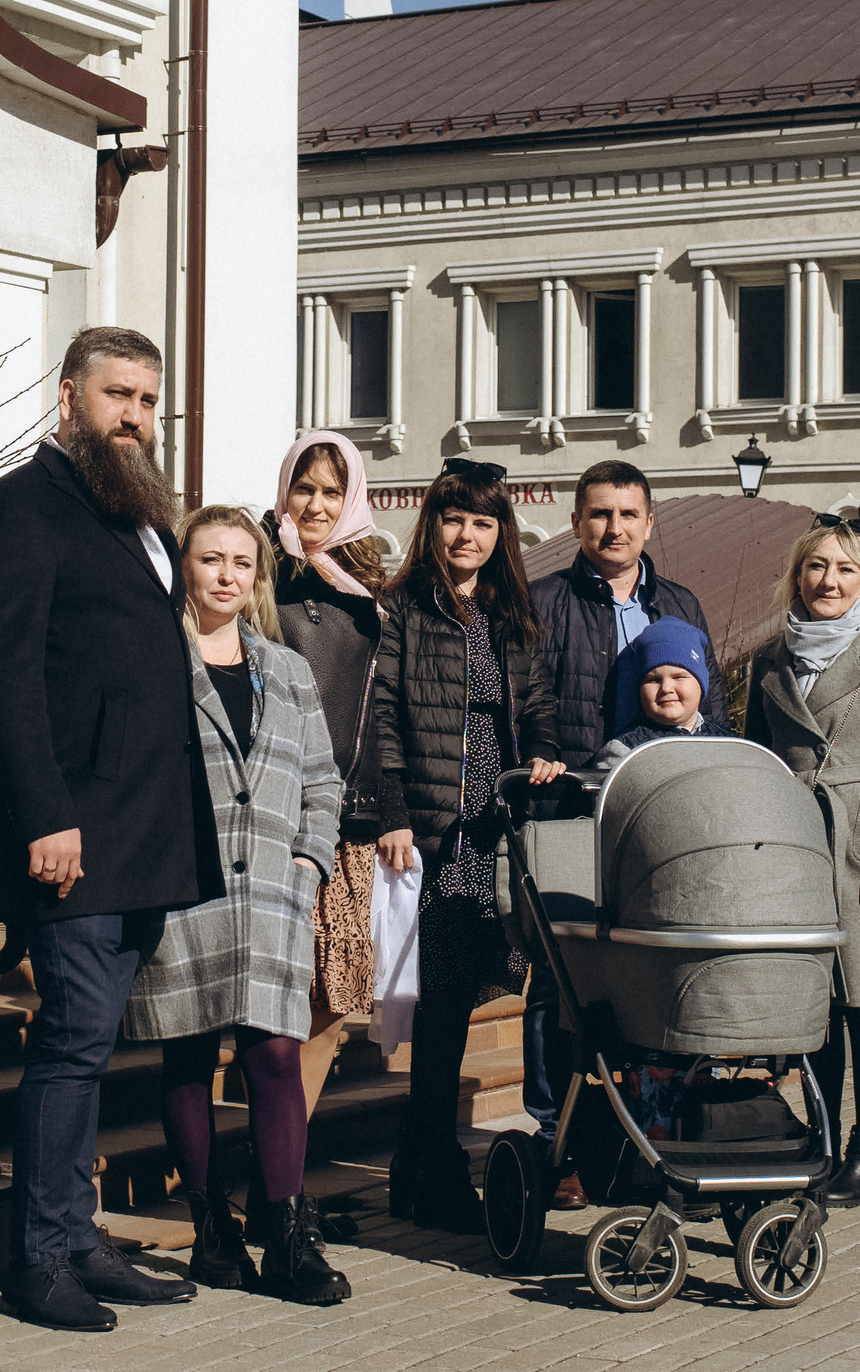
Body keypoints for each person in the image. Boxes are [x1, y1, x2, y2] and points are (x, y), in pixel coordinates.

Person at [0, 326, 209, 1332]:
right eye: (118, 396)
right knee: (69, 1044)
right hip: (74, 837)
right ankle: (37, 1261)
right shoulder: (15, 511)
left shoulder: (130, 519)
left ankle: (76, 1233)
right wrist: (47, 816)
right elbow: (6, 677)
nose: (135, 418)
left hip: (141, 837)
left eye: (147, 400)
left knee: (95, 1046)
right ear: (69, 399)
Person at [123, 508, 351, 1305]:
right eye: (209, 558)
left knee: (276, 1055)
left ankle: (285, 1234)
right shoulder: (153, 658)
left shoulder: (286, 670)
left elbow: (323, 779)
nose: (225, 573)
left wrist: (309, 856)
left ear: (258, 576)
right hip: (184, 884)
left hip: (274, 893)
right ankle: (211, 1227)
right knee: (187, 1052)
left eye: (240, 562)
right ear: (184, 567)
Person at [370, 458, 563, 1232]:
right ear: (433, 523)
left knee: (465, 997)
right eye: (455, 518)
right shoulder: (405, 609)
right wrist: (390, 813)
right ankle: (434, 1168)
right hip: (438, 834)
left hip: (497, 832)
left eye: (483, 522)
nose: (467, 535)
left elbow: (538, 704)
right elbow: (380, 718)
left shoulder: (510, 614)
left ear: (500, 533)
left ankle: (416, 1170)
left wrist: (547, 756)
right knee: (444, 1006)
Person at [525, 462, 713, 1204]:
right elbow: (518, 703)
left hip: (658, 828)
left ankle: (648, 1132)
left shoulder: (681, 602)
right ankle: (559, 1141)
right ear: (577, 523)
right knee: (561, 982)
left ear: (649, 522)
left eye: (628, 513)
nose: (614, 527)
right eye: (599, 513)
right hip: (571, 817)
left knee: (650, 973)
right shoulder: (544, 603)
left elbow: (713, 707)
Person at [743, 515, 860, 1209]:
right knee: (813, 1004)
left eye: (846, 569)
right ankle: (822, 1144)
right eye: (817, 566)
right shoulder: (771, 658)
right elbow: (756, 759)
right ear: (798, 576)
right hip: (794, 844)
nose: (829, 580)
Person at [263, 430, 388, 1242]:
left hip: (353, 823)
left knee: (329, 1008)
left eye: (330, 493)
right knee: (278, 1005)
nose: (314, 506)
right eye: (303, 488)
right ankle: (270, 1180)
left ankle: (287, 1176)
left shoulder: (374, 589)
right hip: (275, 820)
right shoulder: (260, 575)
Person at [594, 616, 733, 763]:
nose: (666, 689)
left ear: (700, 684)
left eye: (679, 677)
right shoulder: (625, 752)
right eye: (654, 680)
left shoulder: (729, 745)